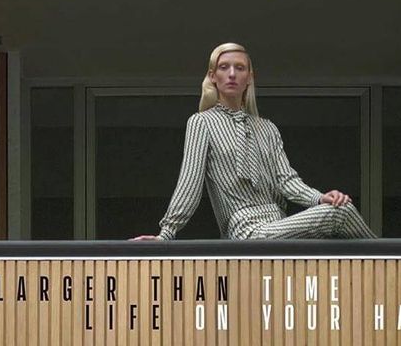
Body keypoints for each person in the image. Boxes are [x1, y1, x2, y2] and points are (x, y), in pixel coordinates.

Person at [133, 43, 376, 241]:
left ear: (249, 77)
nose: (231, 74)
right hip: (245, 230)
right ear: (212, 76)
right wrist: (166, 233)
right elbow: (190, 183)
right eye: (224, 67)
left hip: (280, 225)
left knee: (339, 209)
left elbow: (287, 181)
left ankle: (387, 269)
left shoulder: (267, 128)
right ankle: (394, 261)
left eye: (239, 68)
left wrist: (320, 198)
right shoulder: (201, 123)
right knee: (340, 215)